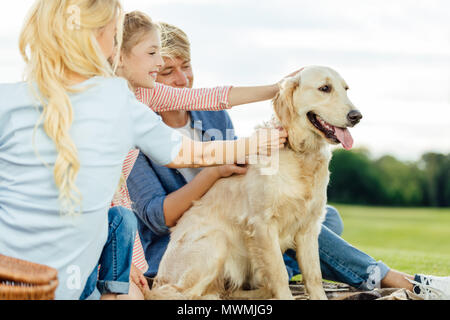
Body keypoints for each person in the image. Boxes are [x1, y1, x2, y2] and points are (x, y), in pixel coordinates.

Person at [124, 21, 450, 300]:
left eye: (187, 66)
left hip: (234, 224)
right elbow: (156, 217)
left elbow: (239, 170)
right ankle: (390, 278)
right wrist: (215, 172)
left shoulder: (211, 115)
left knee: (322, 218)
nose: (182, 80)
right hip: (182, 245)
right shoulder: (137, 128)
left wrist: (273, 149)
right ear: (147, 70)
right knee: (287, 226)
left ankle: (266, 277)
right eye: (167, 70)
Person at [0, 1, 291, 300]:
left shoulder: (134, 97)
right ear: (108, 48)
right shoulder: (118, 103)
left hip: (103, 223)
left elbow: (212, 98)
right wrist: (253, 144)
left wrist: (276, 88)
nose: (158, 61)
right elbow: (188, 156)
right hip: (95, 229)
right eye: (115, 37)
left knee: (120, 227)